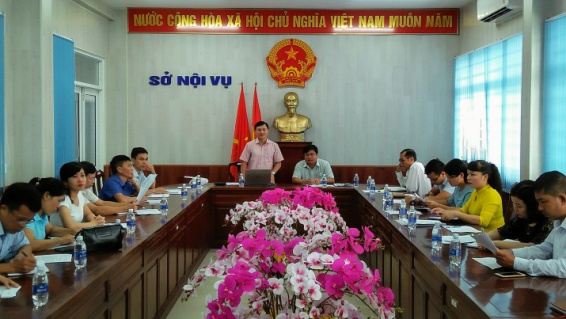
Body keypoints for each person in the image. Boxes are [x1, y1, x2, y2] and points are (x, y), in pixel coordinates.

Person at [495, 171, 566, 277]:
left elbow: (563, 268)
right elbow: (545, 249)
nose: (539, 208)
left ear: (562, 199)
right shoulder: (559, 221)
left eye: (543, 201)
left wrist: (517, 263)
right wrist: (512, 253)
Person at [432, 160, 504, 232]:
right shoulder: (476, 191)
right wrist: (444, 211)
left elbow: (484, 221)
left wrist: (455, 214)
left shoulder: (491, 194)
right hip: (474, 232)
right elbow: (463, 210)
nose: (468, 178)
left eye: (472, 175)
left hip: (489, 237)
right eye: (468, 174)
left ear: (485, 177)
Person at [480, 180, 552, 250]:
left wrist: (494, 243)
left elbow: (532, 246)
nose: (514, 209)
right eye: (513, 204)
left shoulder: (547, 223)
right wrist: (485, 239)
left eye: (519, 206)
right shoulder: (520, 219)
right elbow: (500, 232)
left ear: (532, 206)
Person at [0, 183, 41, 288]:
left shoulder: (13, 228)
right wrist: (12, 267)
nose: (23, 226)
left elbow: (26, 245)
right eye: (21, 220)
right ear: (4, 209)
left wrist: (21, 257)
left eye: (28, 221)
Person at [50, 162, 105, 232]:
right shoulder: (62, 199)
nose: (80, 180)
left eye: (82, 175)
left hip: (76, 236)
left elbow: (87, 214)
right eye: (74, 176)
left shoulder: (79, 194)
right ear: (65, 181)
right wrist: (92, 223)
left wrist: (96, 219)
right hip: (61, 239)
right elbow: (70, 226)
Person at [24, 177, 76, 252]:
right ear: (46, 195)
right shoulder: (29, 215)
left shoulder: (42, 214)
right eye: (59, 200)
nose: (58, 206)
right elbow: (29, 244)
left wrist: (72, 231)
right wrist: (60, 240)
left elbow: (50, 230)